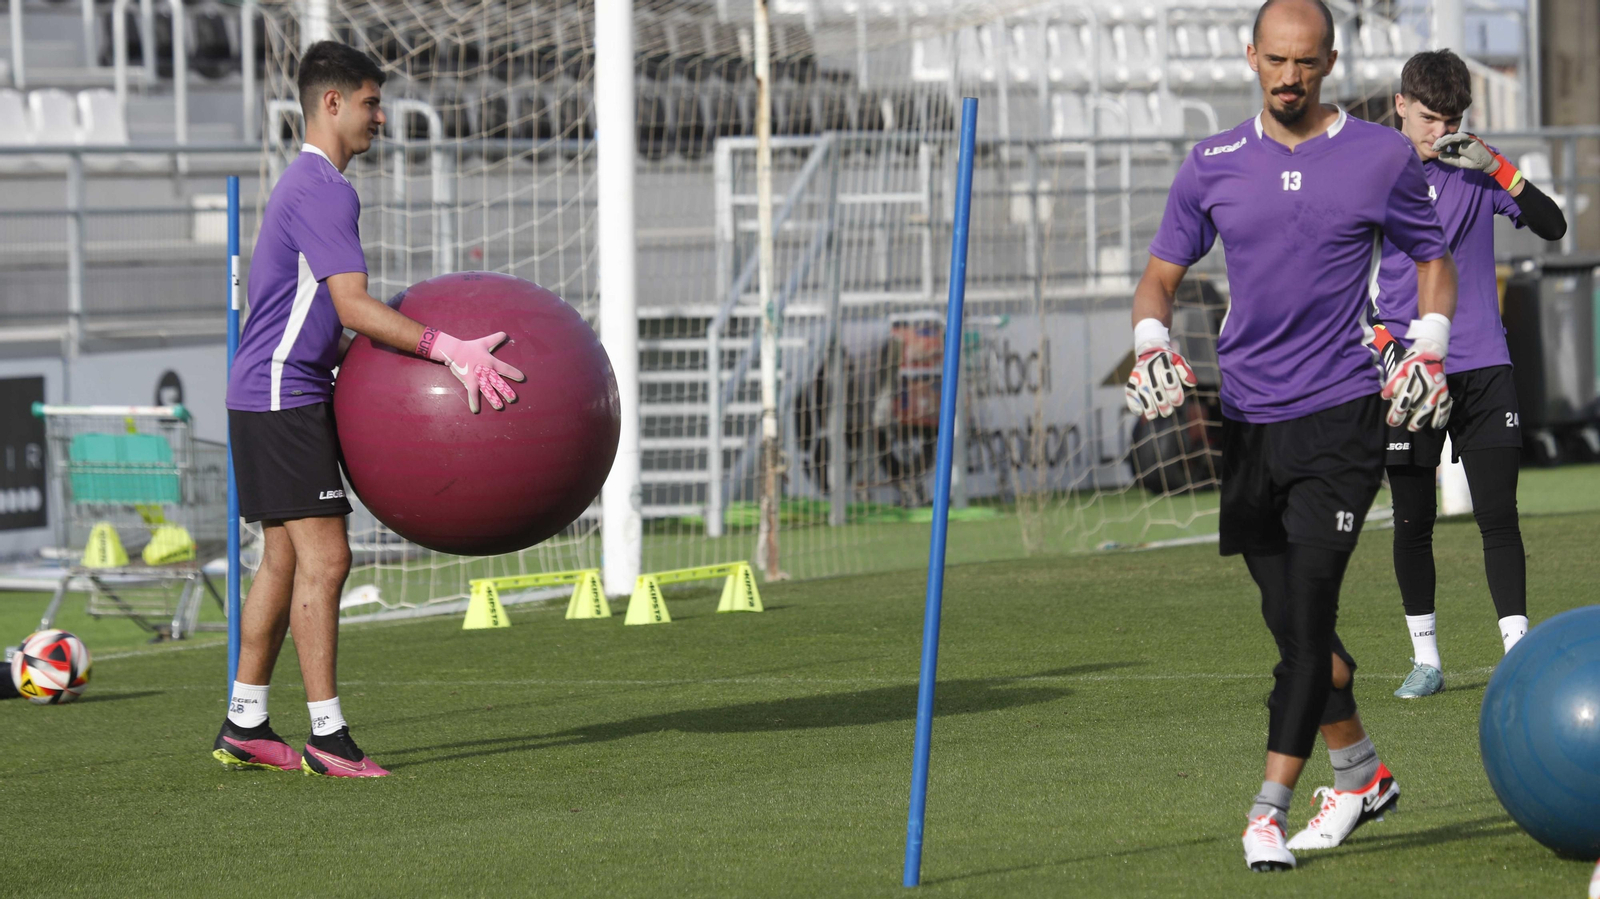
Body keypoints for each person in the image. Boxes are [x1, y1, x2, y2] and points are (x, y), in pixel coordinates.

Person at [1124, 0, 1457, 871]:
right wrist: (1150, 339)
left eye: (1305, 62)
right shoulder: (1212, 164)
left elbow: (1433, 257)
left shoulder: (1381, 155)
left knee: (1309, 620)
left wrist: (1430, 346)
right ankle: (1361, 772)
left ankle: (1266, 809)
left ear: (1331, 63)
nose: (1289, 76)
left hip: (1344, 417)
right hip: (1250, 421)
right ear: (1251, 57)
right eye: (1276, 59)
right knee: (1295, 630)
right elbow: (1160, 276)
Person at [215, 41, 524, 777]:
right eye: (370, 102)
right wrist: (448, 348)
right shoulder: (324, 188)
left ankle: (245, 722)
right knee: (329, 558)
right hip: (284, 393)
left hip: (266, 390)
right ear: (332, 104)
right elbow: (351, 304)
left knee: (283, 561)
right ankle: (328, 737)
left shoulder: (304, 183)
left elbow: (326, 311)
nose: (380, 117)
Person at [1372, 50, 1567, 700]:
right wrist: (1383, 346)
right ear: (1401, 105)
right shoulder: (1369, 172)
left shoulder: (1478, 167)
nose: (1441, 130)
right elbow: (1334, 276)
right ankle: (1426, 659)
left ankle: (1517, 653)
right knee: (1411, 519)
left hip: (1483, 362)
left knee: (1498, 515)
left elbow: (1553, 224)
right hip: (1408, 367)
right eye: (1429, 117)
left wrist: (1502, 170)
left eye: (1452, 118)